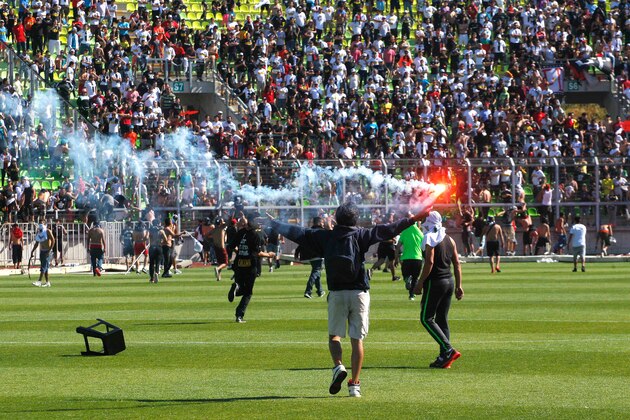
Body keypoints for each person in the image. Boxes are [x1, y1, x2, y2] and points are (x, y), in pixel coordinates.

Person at [269, 200, 434, 398]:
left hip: (337, 293)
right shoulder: (361, 235)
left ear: (337, 218)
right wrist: (414, 218)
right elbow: (389, 229)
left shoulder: (325, 237)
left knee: (334, 337)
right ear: (355, 219)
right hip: (359, 293)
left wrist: (274, 223)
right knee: (357, 341)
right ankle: (354, 385)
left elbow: (298, 233)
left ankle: (339, 366)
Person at [412, 211, 464, 369]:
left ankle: (448, 350)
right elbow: (457, 263)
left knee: (426, 318)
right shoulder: (449, 238)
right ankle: (444, 357)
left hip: (435, 282)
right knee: (442, 319)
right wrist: (459, 285)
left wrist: (420, 283)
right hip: (449, 281)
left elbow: (429, 262)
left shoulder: (429, 238)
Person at [227, 213, 276, 323]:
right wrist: (269, 255)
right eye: (257, 220)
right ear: (251, 221)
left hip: (239, 264)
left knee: (241, 289)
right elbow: (258, 253)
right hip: (250, 265)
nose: (260, 222)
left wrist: (240, 252)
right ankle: (239, 315)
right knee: (248, 292)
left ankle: (236, 287)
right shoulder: (255, 235)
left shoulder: (240, 232)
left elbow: (230, 246)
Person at [295, 216, 326, 299]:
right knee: (316, 271)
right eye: (322, 222)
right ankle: (308, 291)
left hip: (310, 256)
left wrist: (296, 252)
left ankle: (320, 291)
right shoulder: (322, 232)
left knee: (317, 272)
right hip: (319, 255)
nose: (323, 224)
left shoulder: (308, 231)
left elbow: (302, 243)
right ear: (319, 223)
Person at [397, 215, 424, 300]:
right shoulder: (420, 233)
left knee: (405, 274)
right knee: (415, 278)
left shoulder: (404, 231)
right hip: (418, 258)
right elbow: (424, 247)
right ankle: (411, 295)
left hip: (406, 258)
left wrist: (396, 258)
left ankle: (407, 278)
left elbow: (397, 247)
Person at [31, 222, 55, 287]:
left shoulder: (48, 231)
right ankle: (47, 282)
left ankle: (39, 281)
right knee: (45, 267)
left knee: (43, 267)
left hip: (47, 251)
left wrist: (49, 250)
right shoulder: (39, 232)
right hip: (42, 251)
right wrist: (32, 251)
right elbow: (37, 243)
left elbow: (53, 240)